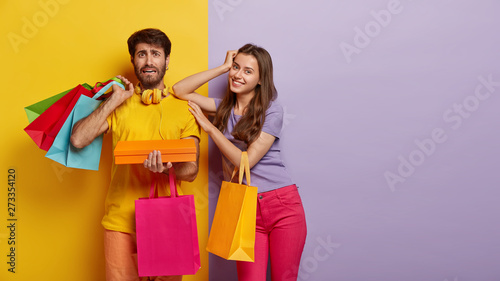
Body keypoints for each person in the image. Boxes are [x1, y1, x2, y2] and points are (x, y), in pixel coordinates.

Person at [70, 28, 200, 281]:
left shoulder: (185, 108)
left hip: (169, 222)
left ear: (167, 60)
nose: (149, 61)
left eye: (156, 54)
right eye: (142, 54)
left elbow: (191, 171)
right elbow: (78, 139)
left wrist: (166, 169)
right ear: (133, 61)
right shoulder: (119, 105)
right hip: (120, 222)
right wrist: (113, 101)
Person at [172, 44, 306, 281]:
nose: (238, 75)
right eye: (236, 67)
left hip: (282, 205)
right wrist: (222, 67)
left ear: (261, 79)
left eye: (248, 71)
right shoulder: (223, 109)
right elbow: (179, 90)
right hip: (245, 208)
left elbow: (247, 161)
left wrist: (211, 129)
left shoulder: (272, 111)